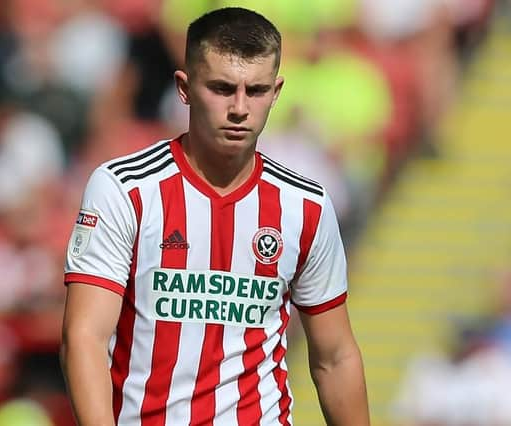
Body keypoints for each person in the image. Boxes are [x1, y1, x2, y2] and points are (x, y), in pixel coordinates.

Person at [61, 7, 369, 425]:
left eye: (256, 91)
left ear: (276, 92)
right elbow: (84, 338)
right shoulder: (124, 189)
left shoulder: (306, 204)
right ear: (184, 88)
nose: (240, 108)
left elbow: (335, 356)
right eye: (223, 88)